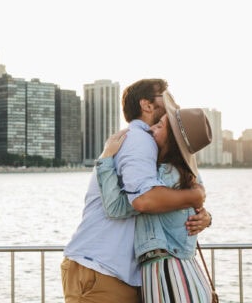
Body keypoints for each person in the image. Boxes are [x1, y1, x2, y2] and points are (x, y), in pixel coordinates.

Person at [62, 79, 212, 303]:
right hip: (104, 270)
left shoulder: (165, 160)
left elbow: (152, 202)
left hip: (129, 274)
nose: (172, 102)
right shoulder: (139, 140)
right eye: (166, 96)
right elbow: (143, 200)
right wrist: (194, 198)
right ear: (147, 105)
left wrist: (204, 215)